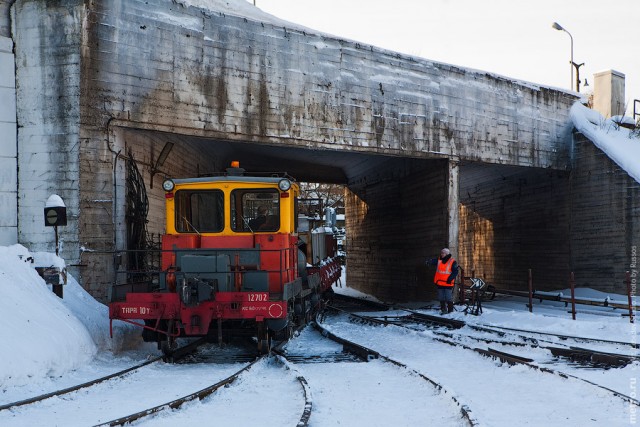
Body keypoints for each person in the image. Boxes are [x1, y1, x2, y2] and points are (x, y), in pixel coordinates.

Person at [426, 248, 459, 314]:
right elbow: (433, 261)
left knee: (448, 297)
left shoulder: (452, 262)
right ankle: (443, 310)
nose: (441, 254)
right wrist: (429, 262)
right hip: (439, 282)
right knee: (441, 297)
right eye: (441, 253)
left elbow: (455, 272)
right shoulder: (439, 260)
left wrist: (450, 279)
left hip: (447, 283)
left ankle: (450, 311)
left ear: (447, 254)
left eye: (443, 253)